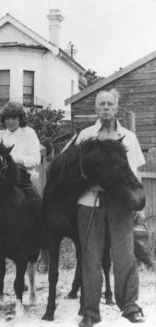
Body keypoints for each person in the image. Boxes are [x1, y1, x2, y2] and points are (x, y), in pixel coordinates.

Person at [75, 89, 146, 327]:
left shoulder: (129, 137)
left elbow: (135, 173)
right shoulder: (85, 136)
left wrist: (139, 203)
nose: (106, 108)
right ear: (96, 109)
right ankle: (90, 312)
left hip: (120, 204)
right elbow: (75, 172)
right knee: (90, 258)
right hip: (89, 203)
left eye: (110, 104)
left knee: (125, 255)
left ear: (117, 108)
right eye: (101, 104)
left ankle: (129, 306)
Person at [0, 101, 41, 200]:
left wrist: (13, 158)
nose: (10, 122)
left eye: (14, 118)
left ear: (20, 119)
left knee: (36, 204)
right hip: (1, 179)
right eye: (7, 118)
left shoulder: (29, 133)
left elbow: (35, 160)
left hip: (23, 179)